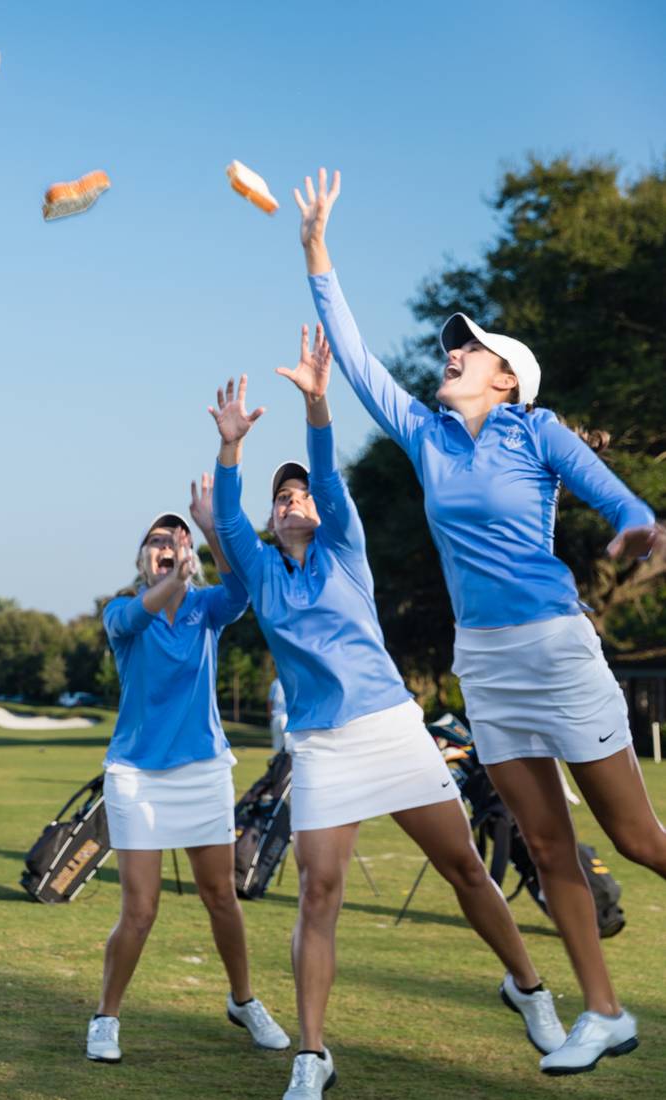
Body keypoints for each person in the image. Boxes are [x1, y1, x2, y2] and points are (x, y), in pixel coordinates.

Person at [297, 167, 666, 1075]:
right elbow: (355, 360)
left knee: (635, 840)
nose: (451, 351)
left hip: (556, 648)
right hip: (485, 664)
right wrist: (314, 248)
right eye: (452, 345)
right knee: (545, 848)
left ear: (507, 379)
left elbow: (618, 501)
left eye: (471, 349)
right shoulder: (423, 435)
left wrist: (635, 534)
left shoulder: (534, 433)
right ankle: (603, 1012)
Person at [210, 339, 564, 1099]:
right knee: (317, 892)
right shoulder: (262, 570)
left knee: (464, 867)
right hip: (322, 748)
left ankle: (529, 988)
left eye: (297, 494)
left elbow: (328, 470)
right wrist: (230, 446)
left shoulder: (343, 547)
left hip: (390, 729)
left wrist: (315, 401)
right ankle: (312, 1054)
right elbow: (229, 527)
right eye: (281, 499)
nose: (291, 501)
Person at [86, 491, 290, 1067]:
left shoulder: (205, 608)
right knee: (141, 909)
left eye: (174, 540)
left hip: (203, 771)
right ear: (141, 557)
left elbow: (244, 591)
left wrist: (213, 533)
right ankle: (106, 1016)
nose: (166, 548)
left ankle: (243, 1000)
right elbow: (147, 609)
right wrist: (177, 574)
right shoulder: (122, 611)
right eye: (156, 540)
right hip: (136, 776)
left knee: (221, 896)